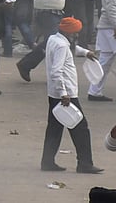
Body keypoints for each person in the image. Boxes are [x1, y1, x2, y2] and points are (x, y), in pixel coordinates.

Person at [41, 16, 103, 174]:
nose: (77, 35)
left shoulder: (54, 39)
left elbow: (73, 48)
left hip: (54, 94)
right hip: (66, 95)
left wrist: (87, 52)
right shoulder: (62, 46)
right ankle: (85, 163)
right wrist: (64, 94)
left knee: (54, 129)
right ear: (69, 33)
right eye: (75, 33)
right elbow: (56, 71)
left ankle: (47, 161)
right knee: (81, 129)